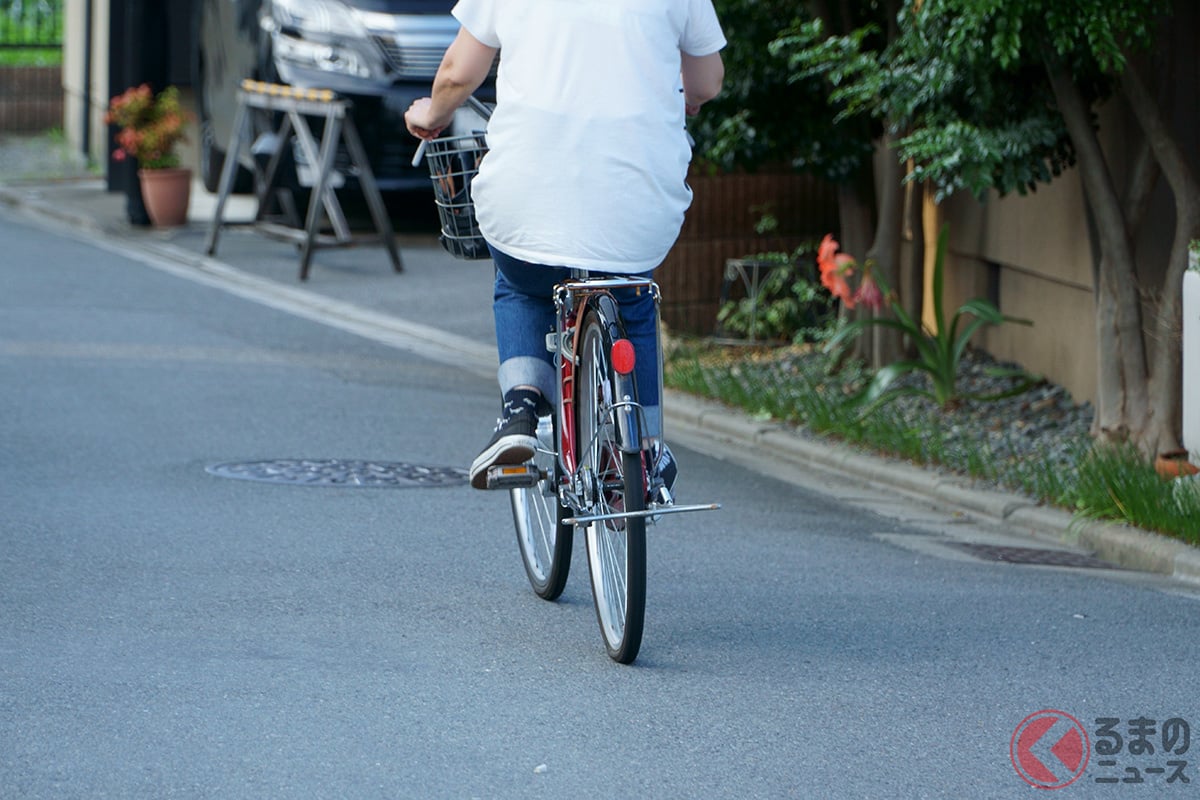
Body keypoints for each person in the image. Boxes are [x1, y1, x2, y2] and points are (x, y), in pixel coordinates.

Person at [405, 0, 725, 492]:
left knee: (520, 282)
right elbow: (705, 84)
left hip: (527, 199)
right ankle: (639, 451)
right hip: (635, 206)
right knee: (632, 296)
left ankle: (520, 410)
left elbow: (456, 74)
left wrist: (431, 112)